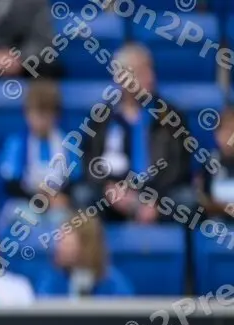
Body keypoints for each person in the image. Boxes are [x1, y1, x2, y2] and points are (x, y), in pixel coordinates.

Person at [75, 44, 193, 223]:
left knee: (187, 200)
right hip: (114, 193)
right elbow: (89, 160)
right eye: (141, 72)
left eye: (150, 69)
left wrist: (156, 200)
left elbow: (178, 167)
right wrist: (107, 187)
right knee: (83, 195)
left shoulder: (171, 116)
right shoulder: (102, 117)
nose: (150, 78)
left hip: (159, 194)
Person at [0, 80, 76, 228]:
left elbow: (74, 181)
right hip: (25, 201)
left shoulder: (68, 145)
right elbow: (11, 184)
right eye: (35, 114)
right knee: (25, 218)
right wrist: (38, 197)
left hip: (57, 203)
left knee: (63, 220)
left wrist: (60, 196)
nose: (40, 121)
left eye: (46, 114)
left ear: (56, 115)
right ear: (26, 114)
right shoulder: (17, 143)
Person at [36, 217, 134, 298]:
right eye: (59, 242)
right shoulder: (51, 279)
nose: (60, 248)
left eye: (68, 244)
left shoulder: (112, 282)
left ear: (87, 246)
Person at [200, 107, 234, 220]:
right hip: (216, 224)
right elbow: (203, 199)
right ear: (217, 135)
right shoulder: (210, 162)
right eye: (226, 132)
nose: (230, 138)